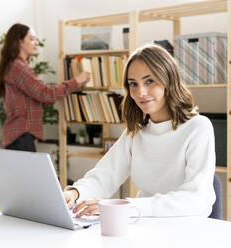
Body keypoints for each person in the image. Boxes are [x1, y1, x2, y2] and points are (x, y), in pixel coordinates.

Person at [63, 44, 216, 218]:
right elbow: (104, 176)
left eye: (149, 81)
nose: (140, 92)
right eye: (133, 84)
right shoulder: (136, 131)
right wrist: (74, 193)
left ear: (169, 80)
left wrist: (127, 206)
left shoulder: (198, 127)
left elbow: (195, 199)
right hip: (143, 223)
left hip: (185, 228)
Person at [0, 23, 90, 152]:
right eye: (32, 39)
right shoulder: (18, 67)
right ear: (19, 42)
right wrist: (76, 81)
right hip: (20, 137)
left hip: (19, 136)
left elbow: (36, 99)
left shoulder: (16, 66)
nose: (36, 43)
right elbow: (45, 93)